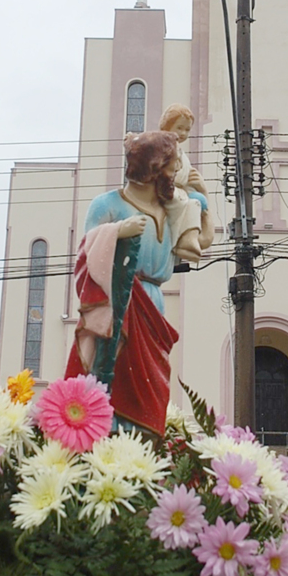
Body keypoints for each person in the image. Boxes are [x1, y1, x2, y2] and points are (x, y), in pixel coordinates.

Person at [64, 130, 182, 437]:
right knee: (114, 377)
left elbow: (197, 239)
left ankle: (144, 439)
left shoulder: (170, 210)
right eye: (173, 162)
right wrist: (117, 231)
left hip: (153, 305)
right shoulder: (107, 205)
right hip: (119, 301)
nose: (179, 167)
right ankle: (110, 435)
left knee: (151, 382)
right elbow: (86, 256)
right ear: (155, 167)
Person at [158, 103, 214, 263]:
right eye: (179, 127)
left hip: (181, 190)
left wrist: (200, 185)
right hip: (167, 190)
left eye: (187, 129)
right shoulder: (163, 148)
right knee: (191, 203)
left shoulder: (179, 151)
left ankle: (189, 236)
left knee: (200, 201)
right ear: (167, 126)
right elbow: (172, 174)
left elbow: (184, 172)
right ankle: (185, 239)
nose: (183, 133)